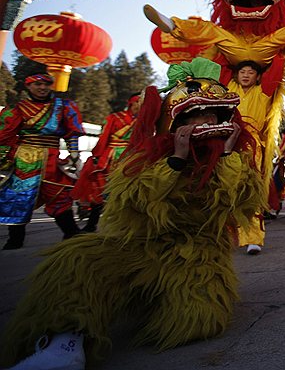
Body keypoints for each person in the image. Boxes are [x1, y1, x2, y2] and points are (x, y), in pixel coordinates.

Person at [0, 58, 264, 369]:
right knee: (76, 259)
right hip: (141, 248)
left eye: (213, 115)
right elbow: (136, 207)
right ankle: (64, 342)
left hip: (197, 260)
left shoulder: (236, 160)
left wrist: (228, 157)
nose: (206, 122)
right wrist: (175, 163)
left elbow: (240, 205)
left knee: (197, 321)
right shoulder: (145, 157)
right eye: (196, 116)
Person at [0, 73, 84, 250]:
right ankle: (15, 240)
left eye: (46, 84)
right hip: (25, 159)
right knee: (19, 197)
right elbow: (5, 135)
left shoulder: (63, 106)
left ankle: (71, 233)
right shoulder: (19, 108)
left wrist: (74, 155)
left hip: (51, 158)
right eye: (37, 84)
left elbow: (72, 133)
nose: (42, 88)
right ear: (28, 87)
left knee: (59, 193)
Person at [72, 94, 141, 232]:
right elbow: (104, 138)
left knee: (129, 191)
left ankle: (125, 225)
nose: (141, 105)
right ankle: (92, 224)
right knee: (100, 190)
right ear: (131, 103)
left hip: (132, 158)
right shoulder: (114, 118)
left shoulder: (144, 121)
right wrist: (97, 155)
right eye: (138, 101)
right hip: (110, 158)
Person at [229, 60, 273, 255]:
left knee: (251, 188)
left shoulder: (263, 91)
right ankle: (231, 235)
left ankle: (253, 237)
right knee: (228, 188)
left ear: (258, 76)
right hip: (228, 142)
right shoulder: (227, 89)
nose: (246, 75)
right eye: (242, 71)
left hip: (251, 145)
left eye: (251, 72)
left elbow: (278, 67)